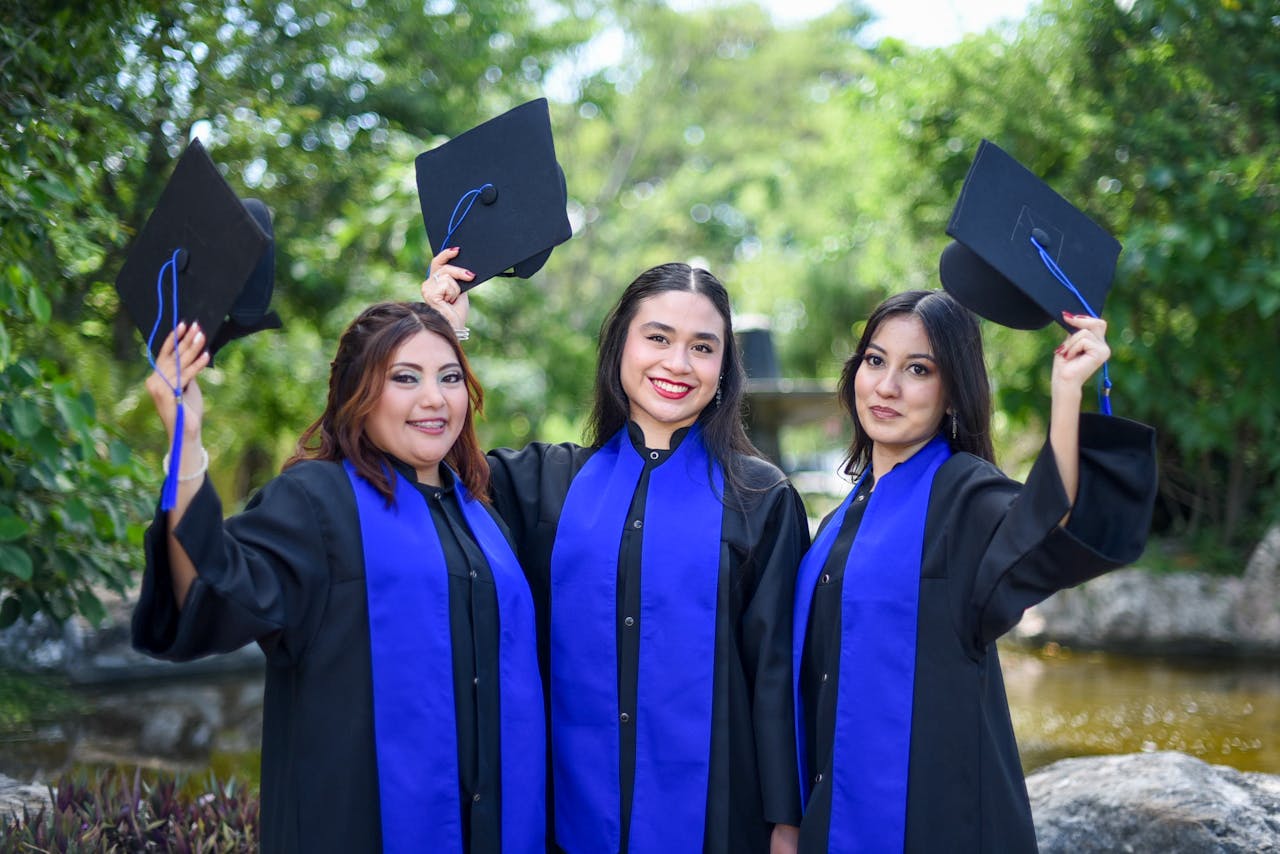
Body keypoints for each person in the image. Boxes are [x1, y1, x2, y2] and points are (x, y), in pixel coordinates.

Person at [426, 252, 809, 854]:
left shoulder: (759, 498)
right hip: (568, 812)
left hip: (717, 819)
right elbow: (434, 459)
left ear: (724, 368)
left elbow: (778, 671)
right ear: (619, 348)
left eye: (703, 347)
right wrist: (445, 334)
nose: (677, 363)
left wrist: (787, 823)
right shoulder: (546, 483)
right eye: (657, 337)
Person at [131, 303, 545, 854]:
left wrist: (444, 319)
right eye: (404, 378)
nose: (433, 398)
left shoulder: (481, 513)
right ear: (359, 394)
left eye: (450, 378)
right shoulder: (316, 502)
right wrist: (186, 442)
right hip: (355, 824)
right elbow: (210, 591)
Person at [790, 290, 1157, 851]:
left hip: (938, 813)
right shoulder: (847, 512)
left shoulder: (964, 492)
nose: (887, 386)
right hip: (835, 805)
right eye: (875, 360)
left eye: (918, 369)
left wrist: (1067, 393)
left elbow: (1049, 523)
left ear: (952, 392)